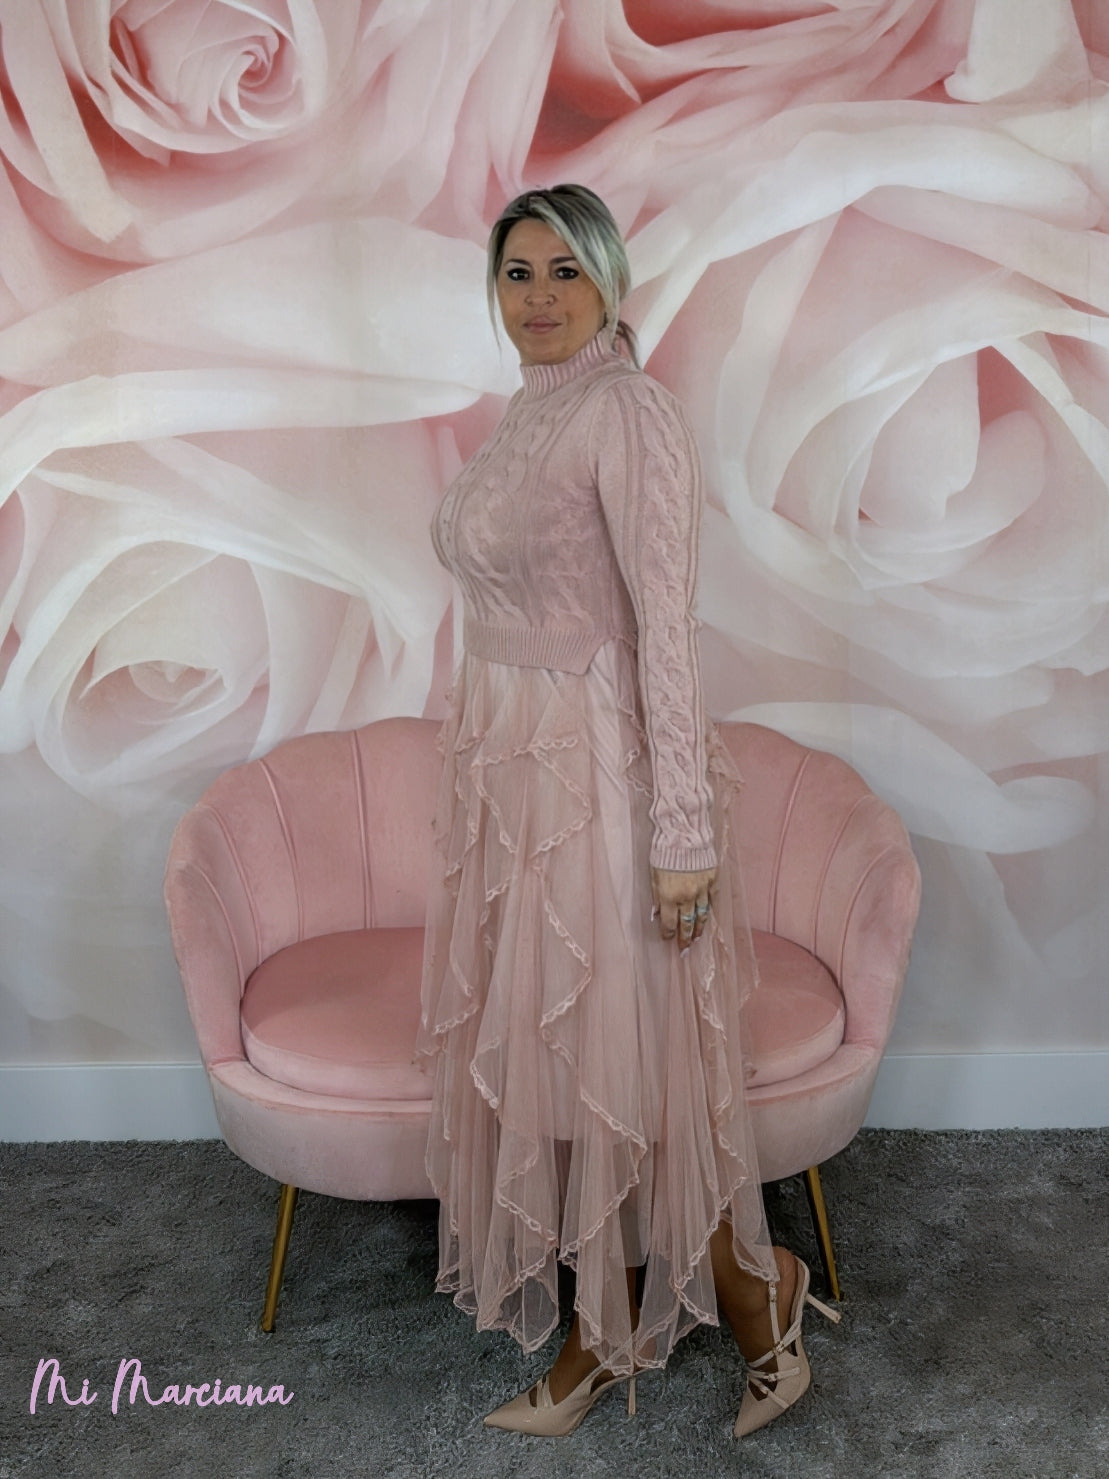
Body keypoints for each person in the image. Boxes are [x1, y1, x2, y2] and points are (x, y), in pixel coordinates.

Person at [417, 183, 837, 1439]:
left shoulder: (627, 412)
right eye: (517, 274)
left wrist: (680, 836)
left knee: (631, 1064)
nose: (539, 297)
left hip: (598, 780)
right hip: (514, 784)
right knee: (574, 1063)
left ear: (608, 281)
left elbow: (665, 629)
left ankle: (647, 1328)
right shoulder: (525, 414)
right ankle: (728, 1301)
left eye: (564, 271)